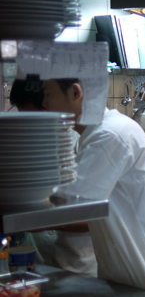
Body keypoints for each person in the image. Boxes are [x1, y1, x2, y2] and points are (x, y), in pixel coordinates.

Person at [42, 78, 145, 297]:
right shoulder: (101, 132)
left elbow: (68, 206)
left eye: (48, 94)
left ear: (75, 93)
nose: (44, 103)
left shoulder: (110, 135)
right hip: (136, 277)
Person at [9, 77, 98, 276]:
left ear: (48, 105)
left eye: (33, 117)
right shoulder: (22, 145)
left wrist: (34, 221)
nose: (28, 126)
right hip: (40, 262)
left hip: (81, 267)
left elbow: (96, 218)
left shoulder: (83, 144)